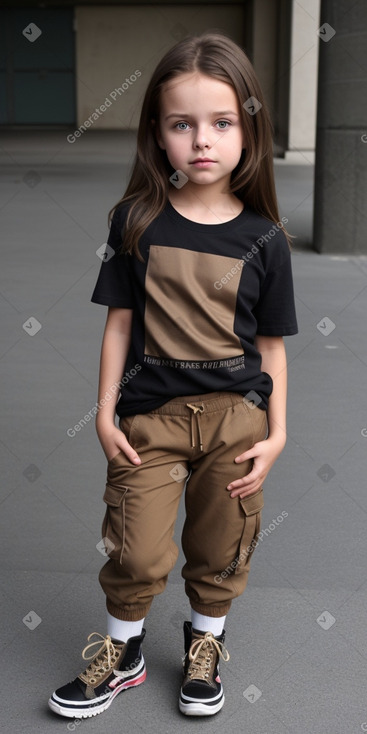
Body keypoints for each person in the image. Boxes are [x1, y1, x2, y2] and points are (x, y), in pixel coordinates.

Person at [48, 31, 298, 720]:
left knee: (221, 546)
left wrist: (275, 435)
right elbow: (119, 325)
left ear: (248, 130)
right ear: (156, 134)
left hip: (236, 422)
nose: (201, 140)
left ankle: (205, 641)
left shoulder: (264, 238)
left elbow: (272, 347)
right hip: (149, 421)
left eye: (221, 123)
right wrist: (103, 414)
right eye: (181, 124)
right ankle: (123, 653)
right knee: (135, 546)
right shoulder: (134, 223)